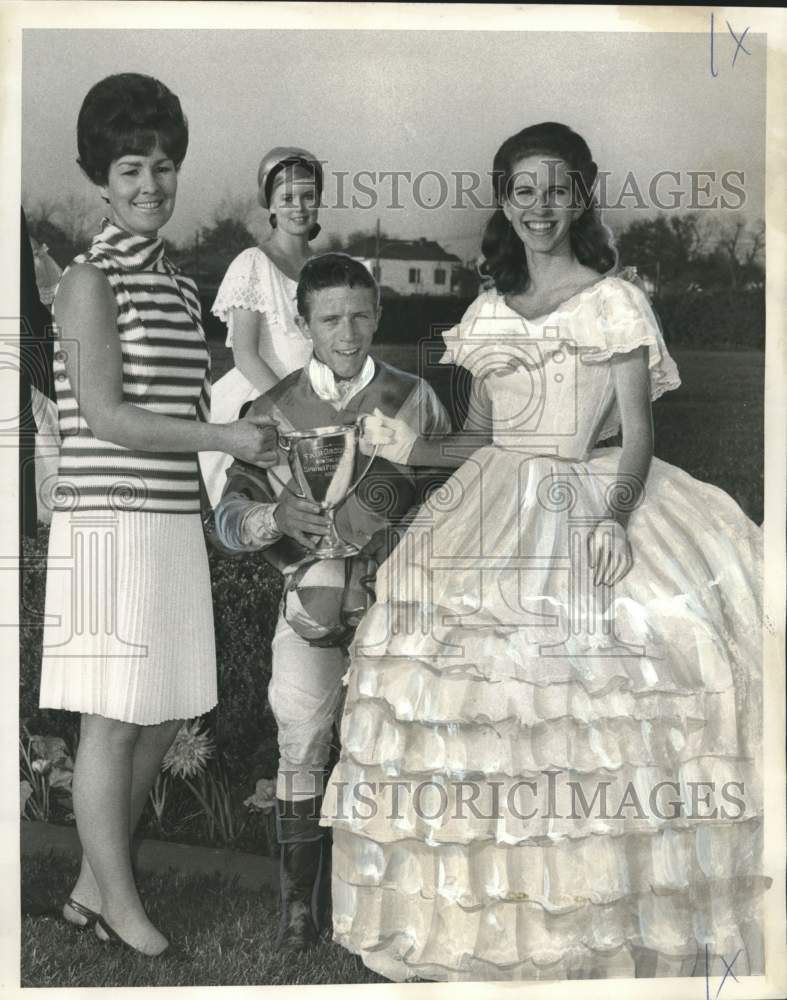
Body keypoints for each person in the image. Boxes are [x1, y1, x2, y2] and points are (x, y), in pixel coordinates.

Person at [320, 122, 765, 981]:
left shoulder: (615, 302)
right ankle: (483, 931)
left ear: (581, 194)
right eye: (522, 190)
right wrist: (413, 453)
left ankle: (594, 925)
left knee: (594, 699)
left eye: (555, 188)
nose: (539, 206)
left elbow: (635, 440)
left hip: (588, 494)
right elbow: (484, 440)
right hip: (491, 507)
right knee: (460, 696)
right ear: (503, 200)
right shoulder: (488, 310)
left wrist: (611, 518)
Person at [39, 73, 277, 958]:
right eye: (131, 167)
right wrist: (223, 434)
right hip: (106, 524)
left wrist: (260, 434)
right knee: (110, 716)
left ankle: (90, 887)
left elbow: (197, 405)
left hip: (170, 519)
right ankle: (118, 901)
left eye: (165, 166)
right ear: (99, 177)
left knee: (166, 710)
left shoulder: (177, 284)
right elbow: (102, 415)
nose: (150, 185)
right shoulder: (87, 281)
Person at [212, 252, 450, 951]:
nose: (346, 334)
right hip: (309, 604)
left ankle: (400, 902)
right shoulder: (275, 407)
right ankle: (298, 906)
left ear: (377, 314)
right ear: (302, 322)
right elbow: (227, 518)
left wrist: (408, 532)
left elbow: (454, 497)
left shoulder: (413, 396)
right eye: (329, 319)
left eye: (358, 316)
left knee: (404, 746)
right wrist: (274, 520)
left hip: (398, 605)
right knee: (301, 741)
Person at [199, 146, 323, 508]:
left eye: (307, 196)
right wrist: (293, 408)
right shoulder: (252, 263)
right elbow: (246, 354)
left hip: (320, 392)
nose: (298, 207)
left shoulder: (326, 266)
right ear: (270, 205)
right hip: (265, 392)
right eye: (286, 198)